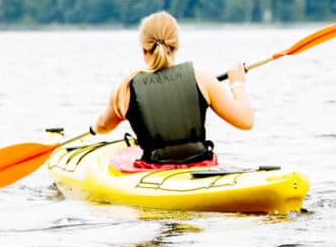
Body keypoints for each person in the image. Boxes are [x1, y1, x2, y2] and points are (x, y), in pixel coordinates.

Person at [91, 11, 253, 165]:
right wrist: (237, 83)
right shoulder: (202, 79)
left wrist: (94, 128)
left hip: (153, 170)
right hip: (199, 164)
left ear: (143, 49)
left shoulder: (125, 88)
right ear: (176, 46)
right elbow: (246, 121)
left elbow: (104, 125)